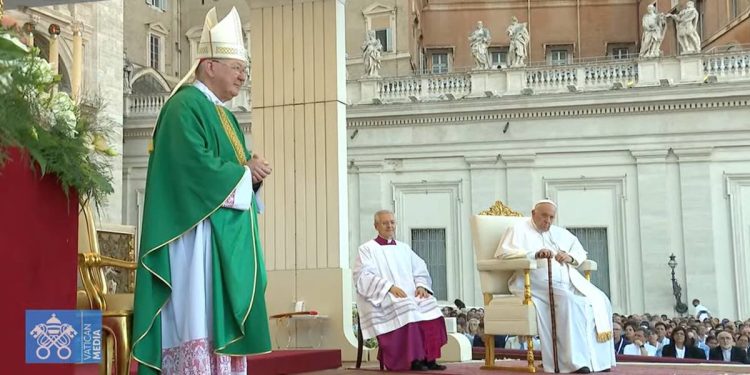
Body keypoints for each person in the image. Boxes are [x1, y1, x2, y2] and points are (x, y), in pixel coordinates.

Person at [131, 8, 273, 375]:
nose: (243, 75)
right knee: (198, 316)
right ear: (209, 65)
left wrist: (251, 178)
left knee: (215, 321)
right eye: (236, 66)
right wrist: (242, 173)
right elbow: (191, 168)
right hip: (195, 238)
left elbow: (230, 172)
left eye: (245, 68)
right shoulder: (183, 107)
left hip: (220, 237)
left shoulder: (225, 116)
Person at [495, 200, 615, 373]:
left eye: (551, 217)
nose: (548, 221)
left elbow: (580, 252)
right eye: (544, 216)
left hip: (568, 280)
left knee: (600, 300)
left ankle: (597, 361)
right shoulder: (517, 229)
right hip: (534, 281)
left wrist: (570, 257)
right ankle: (573, 363)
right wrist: (534, 254)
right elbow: (504, 253)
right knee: (570, 301)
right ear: (533, 213)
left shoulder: (560, 233)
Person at [353, 210, 448, 371]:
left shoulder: (404, 248)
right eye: (385, 223)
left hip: (409, 293)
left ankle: (429, 358)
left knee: (431, 307)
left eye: (392, 222)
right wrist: (388, 287)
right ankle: (413, 359)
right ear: (376, 226)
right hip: (384, 295)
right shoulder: (367, 249)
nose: (390, 226)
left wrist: (421, 286)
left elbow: (420, 268)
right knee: (409, 310)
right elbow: (362, 276)